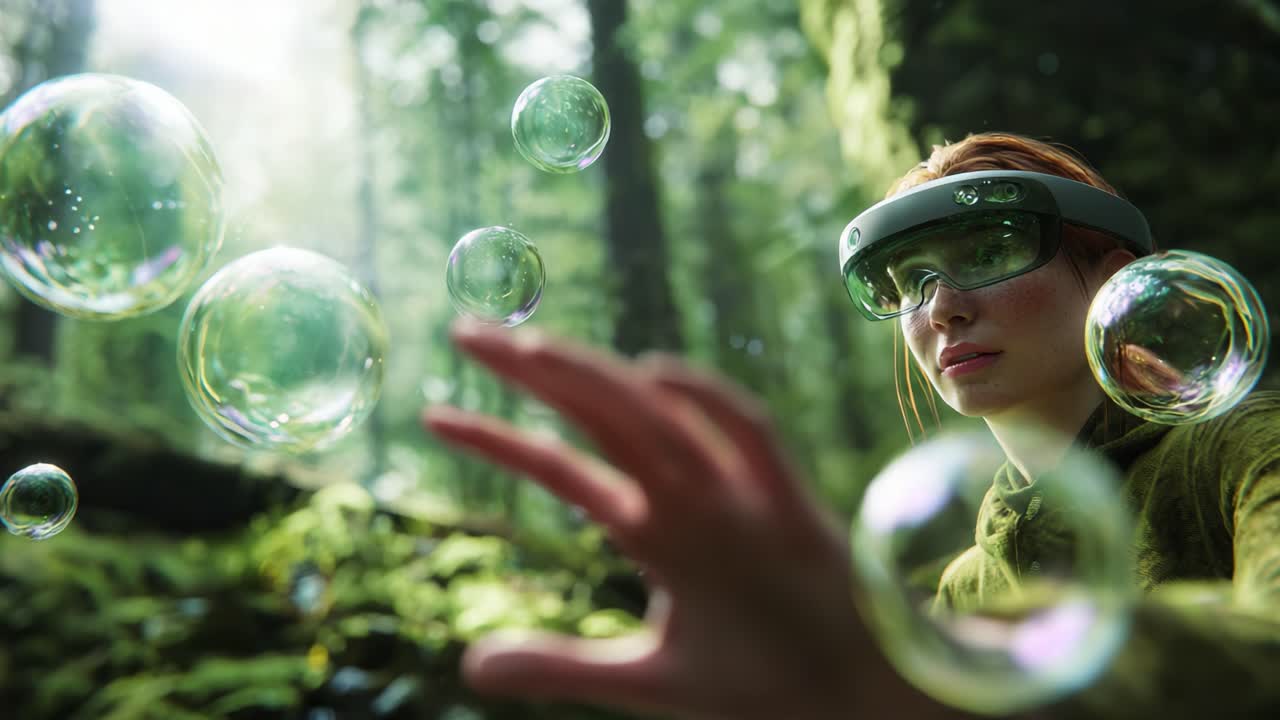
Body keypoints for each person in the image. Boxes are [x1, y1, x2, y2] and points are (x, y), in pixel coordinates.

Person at [423, 132, 1280, 719]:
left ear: (1111, 280)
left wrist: (936, 668)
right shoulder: (964, 586)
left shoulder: (1243, 451)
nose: (940, 308)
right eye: (908, 281)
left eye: (985, 253)